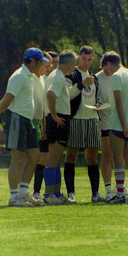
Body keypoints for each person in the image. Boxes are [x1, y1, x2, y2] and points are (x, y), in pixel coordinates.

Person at [0, 48, 48, 207]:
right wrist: (0, 111)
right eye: (41, 62)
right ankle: (14, 197)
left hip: (28, 120)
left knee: (34, 156)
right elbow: (8, 97)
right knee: (17, 158)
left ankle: (24, 193)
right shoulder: (19, 76)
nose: (42, 65)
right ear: (34, 61)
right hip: (17, 118)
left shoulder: (30, 76)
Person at [65, 46, 104, 203]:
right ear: (78, 58)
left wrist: (99, 104)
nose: (86, 62)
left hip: (92, 119)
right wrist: (81, 84)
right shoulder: (71, 75)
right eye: (83, 59)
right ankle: (71, 194)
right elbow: (67, 95)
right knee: (71, 155)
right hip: (75, 119)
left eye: (89, 59)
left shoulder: (95, 77)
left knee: (93, 158)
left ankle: (95, 193)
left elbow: (98, 96)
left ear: (93, 59)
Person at [102, 51, 128, 204]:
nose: (107, 71)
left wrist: (124, 125)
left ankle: (120, 194)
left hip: (119, 124)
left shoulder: (117, 76)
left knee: (118, 158)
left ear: (110, 63)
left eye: (107, 68)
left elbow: (118, 103)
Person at [41, 50, 79, 205]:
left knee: (57, 159)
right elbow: (50, 95)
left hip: (58, 118)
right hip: (59, 119)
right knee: (54, 158)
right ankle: (49, 194)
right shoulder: (58, 76)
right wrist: (55, 116)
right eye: (74, 64)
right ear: (69, 64)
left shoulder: (55, 75)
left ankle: (55, 193)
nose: (74, 68)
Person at [33, 52, 58, 201]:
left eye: (55, 63)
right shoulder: (41, 79)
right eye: (50, 63)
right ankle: (36, 191)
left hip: (52, 122)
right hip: (43, 122)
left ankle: (52, 192)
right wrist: (44, 125)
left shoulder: (55, 79)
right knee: (42, 158)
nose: (52, 66)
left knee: (52, 158)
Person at [95, 57, 116, 200]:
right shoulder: (96, 78)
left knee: (121, 156)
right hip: (105, 122)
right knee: (107, 155)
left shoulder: (121, 76)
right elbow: (94, 97)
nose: (106, 71)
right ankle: (108, 189)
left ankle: (120, 186)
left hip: (120, 121)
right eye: (104, 68)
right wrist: (97, 105)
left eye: (108, 67)